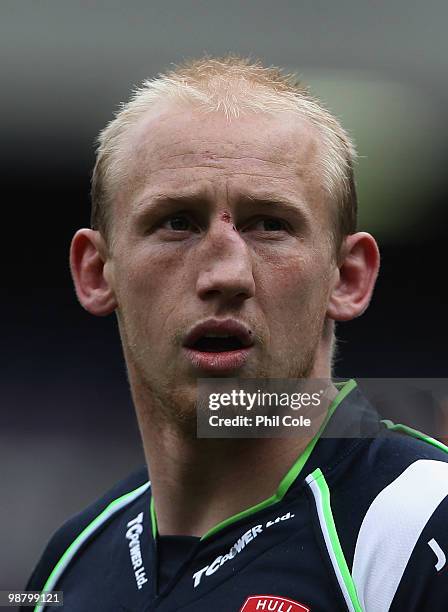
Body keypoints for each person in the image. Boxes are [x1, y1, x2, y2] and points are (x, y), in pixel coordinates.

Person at [24, 56, 448, 612]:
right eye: (177, 222)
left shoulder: (416, 526)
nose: (226, 274)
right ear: (96, 271)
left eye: (270, 224)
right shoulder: (66, 566)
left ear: (347, 278)